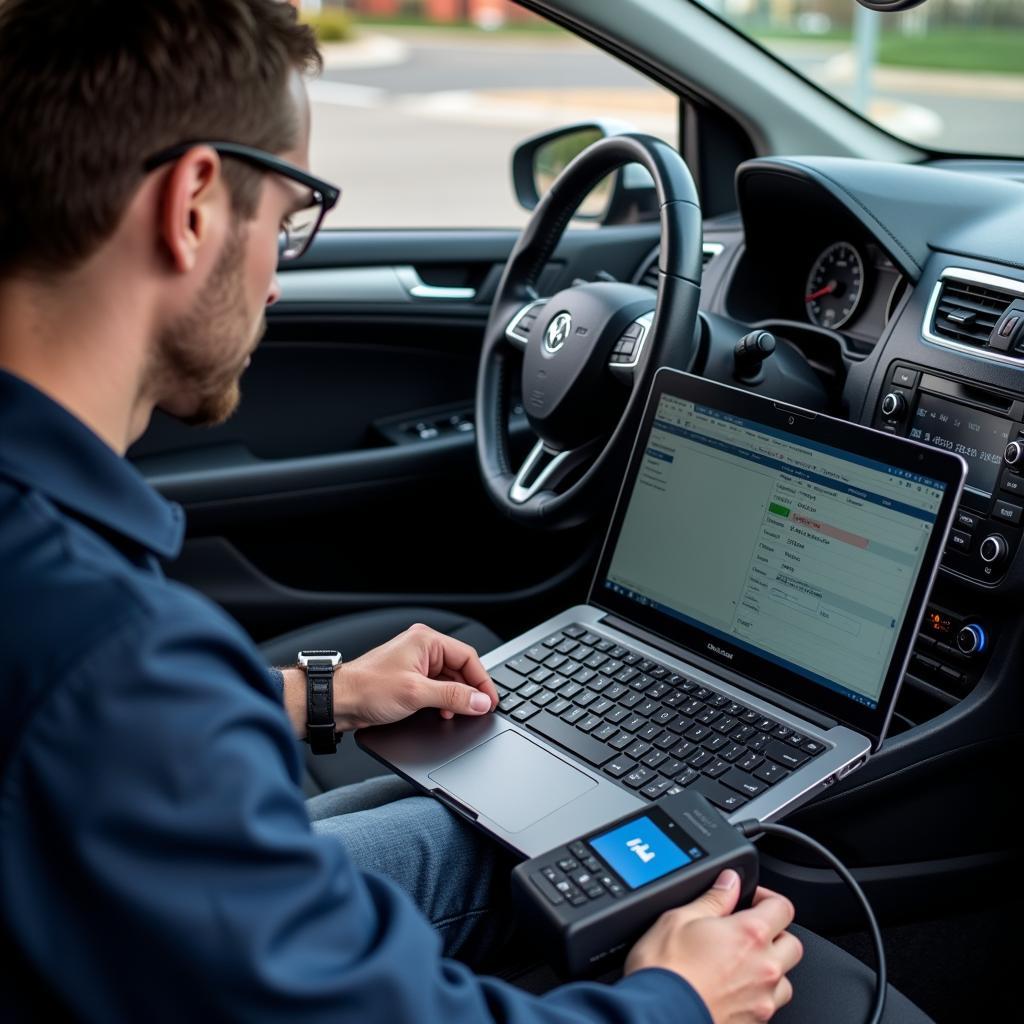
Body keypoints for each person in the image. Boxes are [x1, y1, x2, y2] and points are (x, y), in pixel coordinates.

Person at [0, 2, 933, 1022]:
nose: (278, 276)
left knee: (499, 846)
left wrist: (327, 696)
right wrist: (679, 999)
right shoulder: (117, 662)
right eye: (289, 217)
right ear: (193, 205)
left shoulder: (68, 595)